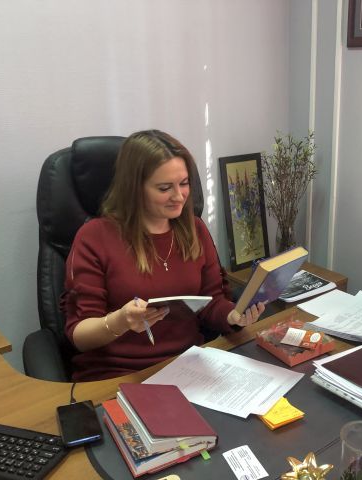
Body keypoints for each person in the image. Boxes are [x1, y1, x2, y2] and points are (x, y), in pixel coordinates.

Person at [63, 130, 265, 381]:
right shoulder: (95, 236)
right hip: (119, 374)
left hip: (189, 366)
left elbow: (211, 302)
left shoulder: (194, 229)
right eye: (164, 188)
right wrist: (120, 321)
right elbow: (80, 336)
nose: (179, 196)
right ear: (134, 188)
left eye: (184, 183)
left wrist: (233, 316)